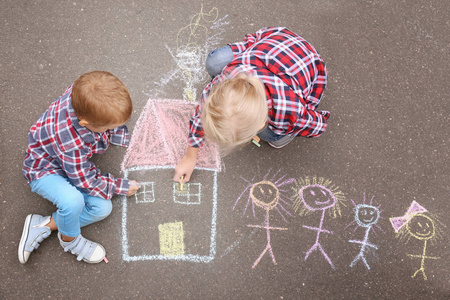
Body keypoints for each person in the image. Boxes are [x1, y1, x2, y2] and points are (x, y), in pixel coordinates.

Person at [173, 27, 330, 183]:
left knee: (273, 136)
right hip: (277, 43)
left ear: (262, 122)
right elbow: (202, 112)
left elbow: (318, 125)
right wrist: (190, 156)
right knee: (214, 62)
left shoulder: (289, 111)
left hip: (309, 64)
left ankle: (280, 135)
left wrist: (295, 125)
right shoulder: (226, 80)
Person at [18, 71, 140, 264]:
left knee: (102, 208)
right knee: (73, 201)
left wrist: (109, 125)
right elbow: (84, 179)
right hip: (44, 171)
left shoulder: (81, 95)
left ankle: (43, 224)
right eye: (108, 128)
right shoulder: (70, 143)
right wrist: (120, 187)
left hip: (69, 164)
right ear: (85, 123)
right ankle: (69, 239)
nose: (111, 130)